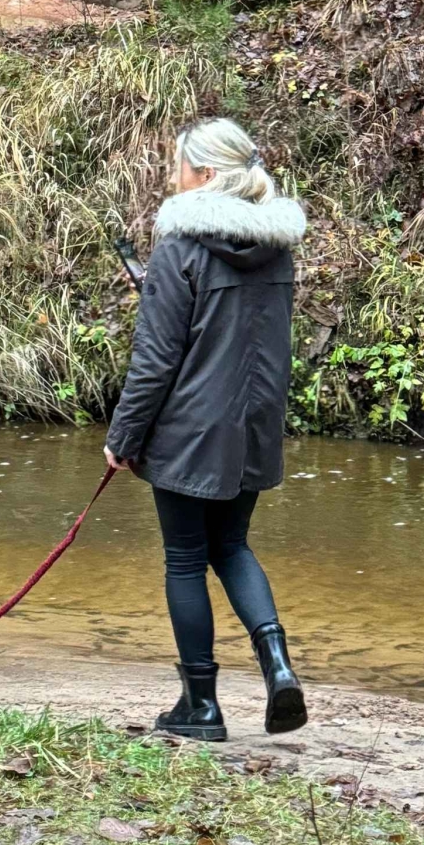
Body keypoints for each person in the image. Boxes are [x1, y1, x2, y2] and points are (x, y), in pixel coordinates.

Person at [104, 118, 308, 743]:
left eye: (180, 167)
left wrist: (123, 437)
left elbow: (156, 360)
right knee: (233, 546)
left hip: (190, 429)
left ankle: (201, 707)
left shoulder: (179, 248)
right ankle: (278, 666)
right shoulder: (277, 247)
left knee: (187, 559)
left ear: (207, 174)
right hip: (253, 426)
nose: (173, 177)